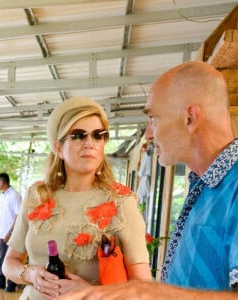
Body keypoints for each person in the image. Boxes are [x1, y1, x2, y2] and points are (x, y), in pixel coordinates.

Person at [58, 61, 238, 300]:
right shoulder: (205, 184)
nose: (148, 134)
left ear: (190, 118)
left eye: (153, 118)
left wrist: (147, 291)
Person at [2, 96, 152, 300]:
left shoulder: (121, 201)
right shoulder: (36, 195)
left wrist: (92, 293)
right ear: (58, 148)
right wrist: (31, 273)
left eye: (98, 135)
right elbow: (9, 263)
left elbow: (143, 288)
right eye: (78, 135)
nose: (90, 143)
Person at [0, 173, 21, 292]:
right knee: (2, 259)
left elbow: (19, 215)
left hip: (12, 234)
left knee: (12, 260)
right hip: (2, 234)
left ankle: (11, 285)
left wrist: (10, 232)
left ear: (2, 182)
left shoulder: (14, 195)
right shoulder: (2, 196)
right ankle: (0, 282)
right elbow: (3, 216)